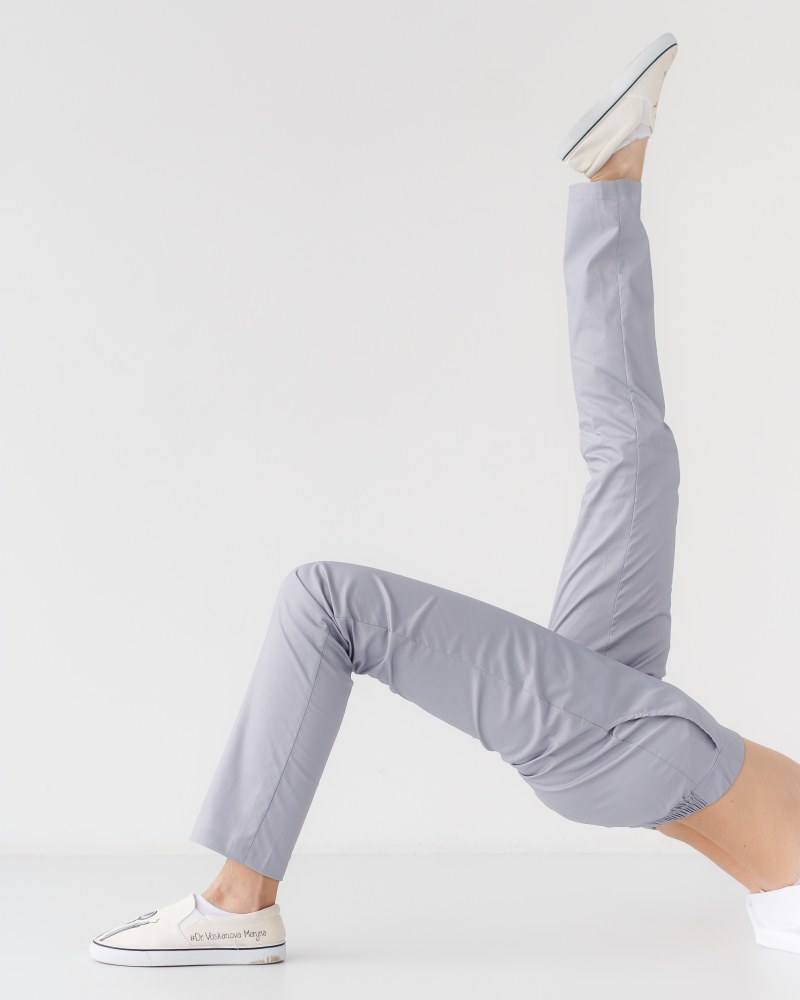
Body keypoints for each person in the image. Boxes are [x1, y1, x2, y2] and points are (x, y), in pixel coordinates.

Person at [89, 32, 800, 966]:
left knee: (327, 601)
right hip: (643, 738)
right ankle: (609, 182)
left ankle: (238, 899)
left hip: (628, 749)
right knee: (638, 457)